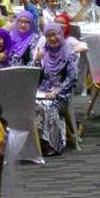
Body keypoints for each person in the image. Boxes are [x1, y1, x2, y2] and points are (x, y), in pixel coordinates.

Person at [33, 21, 79, 155]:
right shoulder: (43, 53)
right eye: (48, 36)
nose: (52, 38)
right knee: (31, 104)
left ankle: (52, 144)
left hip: (61, 95)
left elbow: (73, 78)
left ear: (60, 34)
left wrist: (57, 92)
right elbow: (33, 75)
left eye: (54, 35)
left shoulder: (69, 53)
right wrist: (37, 60)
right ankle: (36, 142)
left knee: (47, 106)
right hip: (42, 93)